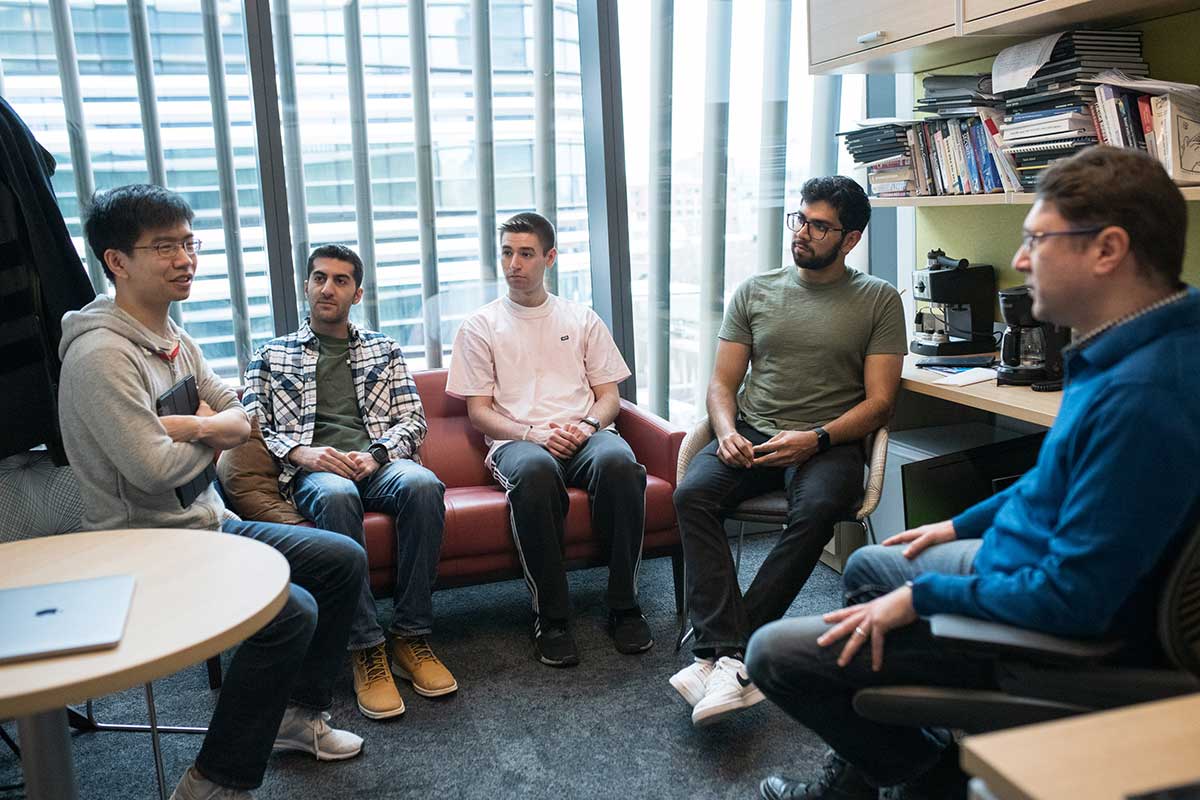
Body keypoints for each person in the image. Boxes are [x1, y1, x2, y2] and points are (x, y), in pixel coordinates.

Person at [745, 146, 1200, 800]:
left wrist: (923, 599)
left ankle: (928, 778)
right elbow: (1055, 478)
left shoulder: (1145, 397)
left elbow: (1075, 598)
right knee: (876, 566)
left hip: (1057, 628)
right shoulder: (1139, 337)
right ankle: (877, 769)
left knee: (773, 656)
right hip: (1032, 563)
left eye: (1037, 239)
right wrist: (955, 523)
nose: (1019, 260)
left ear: (1108, 250)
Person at [58, 185, 365, 800]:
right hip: (140, 547)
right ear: (116, 261)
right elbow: (152, 469)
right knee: (292, 612)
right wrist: (210, 430)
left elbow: (240, 412)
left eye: (189, 244)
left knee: (341, 560)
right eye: (165, 246)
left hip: (204, 524)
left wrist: (194, 425)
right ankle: (214, 779)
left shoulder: (172, 335)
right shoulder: (101, 357)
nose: (185, 259)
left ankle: (293, 718)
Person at [670, 175, 907, 726]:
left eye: (819, 225)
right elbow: (721, 384)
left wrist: (817, 438)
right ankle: (731, 652)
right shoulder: (755, 290)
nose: (801, 232)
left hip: (828, 441)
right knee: (692, 495)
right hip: (752, 431)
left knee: (820, 509)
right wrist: (726, 430)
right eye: (799, 219)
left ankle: (727, 653)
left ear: (850, 239)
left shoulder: (878, 299)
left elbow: (879, 405)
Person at [243, 244, 455, 720]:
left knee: (424, 485)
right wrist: (303, 453)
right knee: (337, 495)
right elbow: (253, 425)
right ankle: (366, 646)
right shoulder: (272, 355)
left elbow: (414, 420)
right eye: (319, 278)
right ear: (306, 286)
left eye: (340, 281)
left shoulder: (384, 349)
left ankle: (411, 635)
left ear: (356, 293)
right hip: (315, 472)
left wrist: (376, 454)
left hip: (376, 463)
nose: (327, 288)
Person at [445, 211, 652, 667]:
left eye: (525, 253)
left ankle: (624, 605)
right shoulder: (480, 325)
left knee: (621, 464)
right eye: (506, 253)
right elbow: (480, 413)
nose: (514, 264)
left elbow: (609, 397)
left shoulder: (580, 318)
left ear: (549, 258)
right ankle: (551, 616)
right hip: (517, 441)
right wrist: (533, 434)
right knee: (536, 473)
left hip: (584, 433)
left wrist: (587, 427)